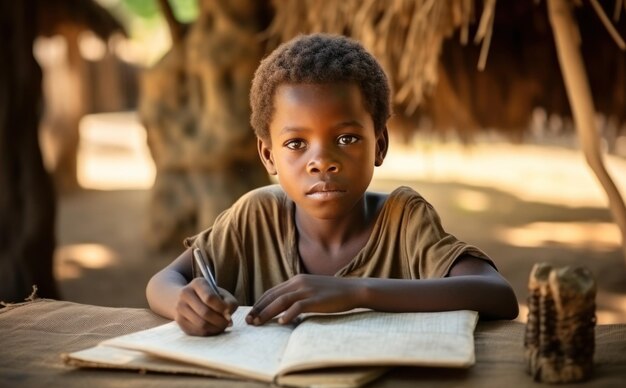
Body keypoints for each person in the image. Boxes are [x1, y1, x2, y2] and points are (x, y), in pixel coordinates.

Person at [146, 33, 519, 336]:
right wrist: (184, 302)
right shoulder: (254, 218)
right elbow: (164, 281)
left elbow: (498, 295)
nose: (321, 161)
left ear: (380, 144)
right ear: (269, 156)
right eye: (296, 144)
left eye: (346, 139)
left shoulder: (403, 220)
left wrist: (358, 292)